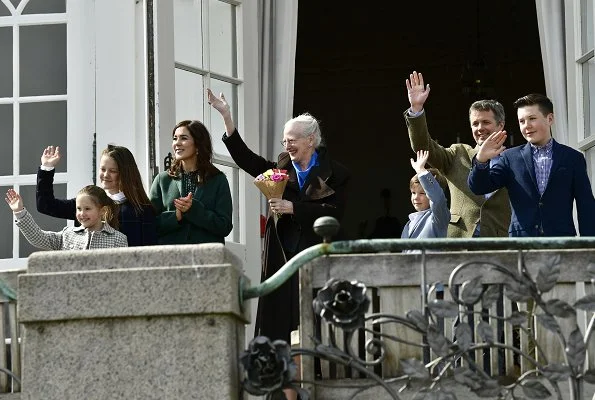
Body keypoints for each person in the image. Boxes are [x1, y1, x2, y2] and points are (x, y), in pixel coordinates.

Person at [207, 89, 350, 343]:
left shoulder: (337, 173)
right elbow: (247, 160)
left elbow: (336, 213)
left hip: (316, 252)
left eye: (293, 140)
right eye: (285, 141)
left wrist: (294, 208)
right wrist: (227, 117)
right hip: (281, 253)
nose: (287, 146)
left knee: (316, 317)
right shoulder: (281, 167)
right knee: (280, 320)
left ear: (311, 140)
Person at [468, 93, 595, 236]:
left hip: (561, 243)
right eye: (521, 121)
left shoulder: (572, 158)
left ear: (550, 118)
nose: (526, 126)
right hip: (522, 245)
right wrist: (481, 160)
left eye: (532, 119)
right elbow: (479, 187)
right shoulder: (510, 157)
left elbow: (586, 206)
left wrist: (589, 247)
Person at [404, 71, 511, 238]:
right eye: (475, 123)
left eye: (486, 122)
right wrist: (417, 109)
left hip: (499, 241)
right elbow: (422, 146)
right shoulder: (457, 154)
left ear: (500, 125)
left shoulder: (515, 160)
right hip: (459, 239)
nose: (480, 128)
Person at [36, 145, 158, 246]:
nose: (106, 175)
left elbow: (148, 253)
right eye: (102, 169)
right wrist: (47, 168)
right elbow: (45, 205)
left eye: (113, 171)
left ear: (125, 174)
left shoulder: (142, 210)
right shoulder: (86, 203)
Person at [149, 120, 233, 244]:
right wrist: (176, 216)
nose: (177, 143)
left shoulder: (218, 180)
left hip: (207, 259)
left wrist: (194, 210)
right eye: (175, 138)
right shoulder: (162, 180)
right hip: (171, 259)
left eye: (183, 138)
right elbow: (149, 224)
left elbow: (224, 226)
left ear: (198, 144)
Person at [6, 185, 128, 250]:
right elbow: (38, 237)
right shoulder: (67, 235)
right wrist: (19, 211)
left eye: (87, 209)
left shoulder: (118, 239)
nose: (82, 214)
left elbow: (123, 275)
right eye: (79, 209)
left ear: (102, 211)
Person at [402, 150, 450, 248]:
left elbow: (437, 198)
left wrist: (421, 170)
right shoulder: (409, 223)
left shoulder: (438, 217)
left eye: (422, 193)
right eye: (413, 193)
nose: (416, 197)